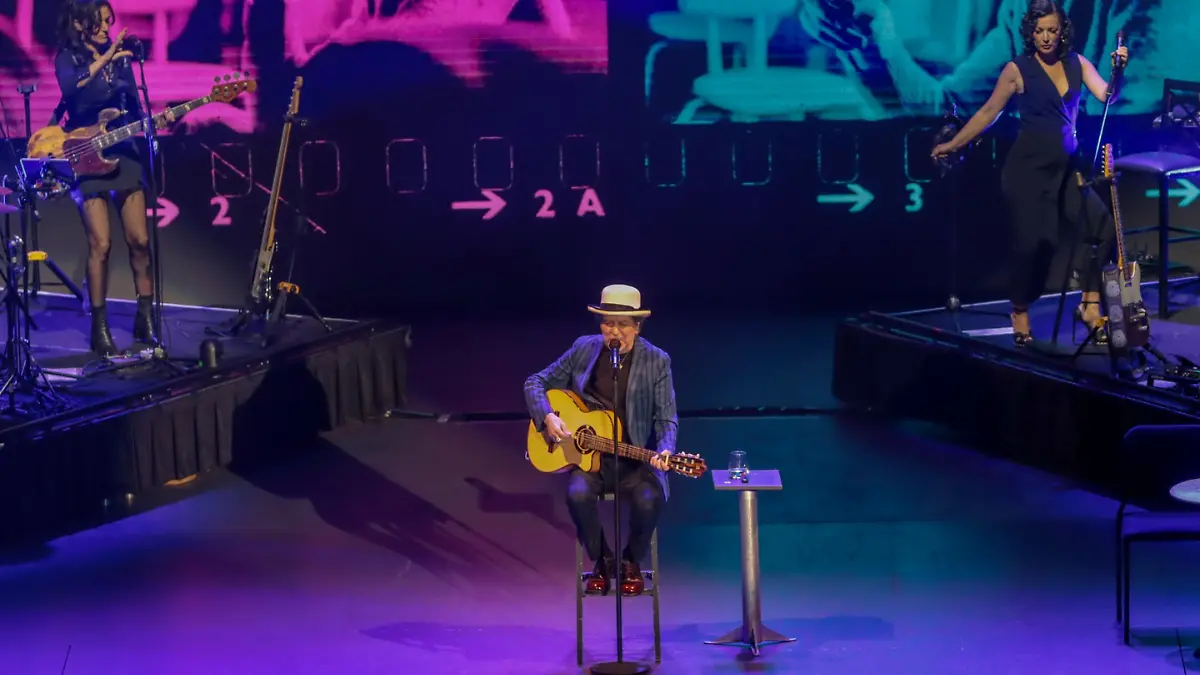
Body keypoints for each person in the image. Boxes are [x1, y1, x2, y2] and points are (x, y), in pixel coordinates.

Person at [931, 0, 1129, 346]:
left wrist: (1119, 71)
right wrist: (954, 144)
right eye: (1040, 31)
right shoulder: (1017, 70)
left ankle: (1090, 305)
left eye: (1052, 30)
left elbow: (1107, 96)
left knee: (1102, 227)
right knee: (1035, 246)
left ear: (1062, 31)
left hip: (1067, 172)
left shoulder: (1077, 63)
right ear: (1030, 33)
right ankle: (1019, 310)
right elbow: (988, 112)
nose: (1046, 37)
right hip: (1027, 175)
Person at [523, 284, 677, 596]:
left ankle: (630, 561)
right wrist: (548, 416)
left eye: (622, 324)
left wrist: (665, 449)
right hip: (590, 460)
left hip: (634, 461)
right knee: (577, 495)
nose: (614, 332)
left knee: (649, 499)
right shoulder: (584, 348)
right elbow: (535, 382)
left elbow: (666, 418)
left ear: (637, 326)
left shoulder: (657, 361)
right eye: (608, 323)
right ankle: (603, 561)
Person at [54, 0, 175, 357]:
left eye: (110, 21)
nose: (108, 28)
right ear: (80, 24)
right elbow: (72, 89)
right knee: (101, 245)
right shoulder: (67, 59)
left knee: (140, 239)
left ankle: (145, 317)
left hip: (123, 153)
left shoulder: (122, 60)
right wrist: (107, 57)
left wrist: (155, 121)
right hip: (86, 156)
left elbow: (134, 106)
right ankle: (100, 327)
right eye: (101, 21)